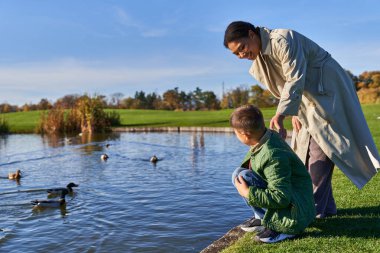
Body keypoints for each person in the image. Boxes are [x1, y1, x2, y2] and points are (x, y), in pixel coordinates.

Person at [224, 21, 380, 218]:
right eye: (236, 54)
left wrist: (282, 114)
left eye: (242, 48)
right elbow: (283, 87)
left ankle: (313, 211)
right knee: (302, 154)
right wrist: (295, 110)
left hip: (327, 95)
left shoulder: (283, 39)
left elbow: (295, 78)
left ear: (251, 34)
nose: (241, 55)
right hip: (305, 102)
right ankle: (326, 208)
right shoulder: (261, 57)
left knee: (322, 148)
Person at [230, 105, 315, 243]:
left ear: (245, 134)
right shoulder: (264, 137)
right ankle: (263, 218)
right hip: (293, 199)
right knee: (239, 174)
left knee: (243, 178)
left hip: (296, 212)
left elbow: (281, 197)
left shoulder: (273, 155)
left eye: (236, 132)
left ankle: (285, 229)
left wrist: (248, 193)